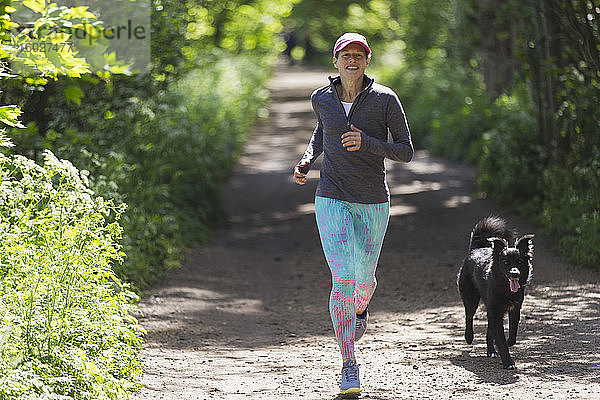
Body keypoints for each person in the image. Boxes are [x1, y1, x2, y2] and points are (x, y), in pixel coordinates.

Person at [293, 32, 414, 395]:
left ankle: (361, 307)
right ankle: (349, 364)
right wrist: (307, 159)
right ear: (335, 61)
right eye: (346, 55)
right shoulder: (322, 98)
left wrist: (369, 143)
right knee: (343, 278)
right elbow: (322, 130)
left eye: (359, 56)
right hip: (331, 197)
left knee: (363, 281)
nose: (352, 61)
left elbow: (406, 151)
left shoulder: (384, 100)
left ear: (366, 61)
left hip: (372, 201)